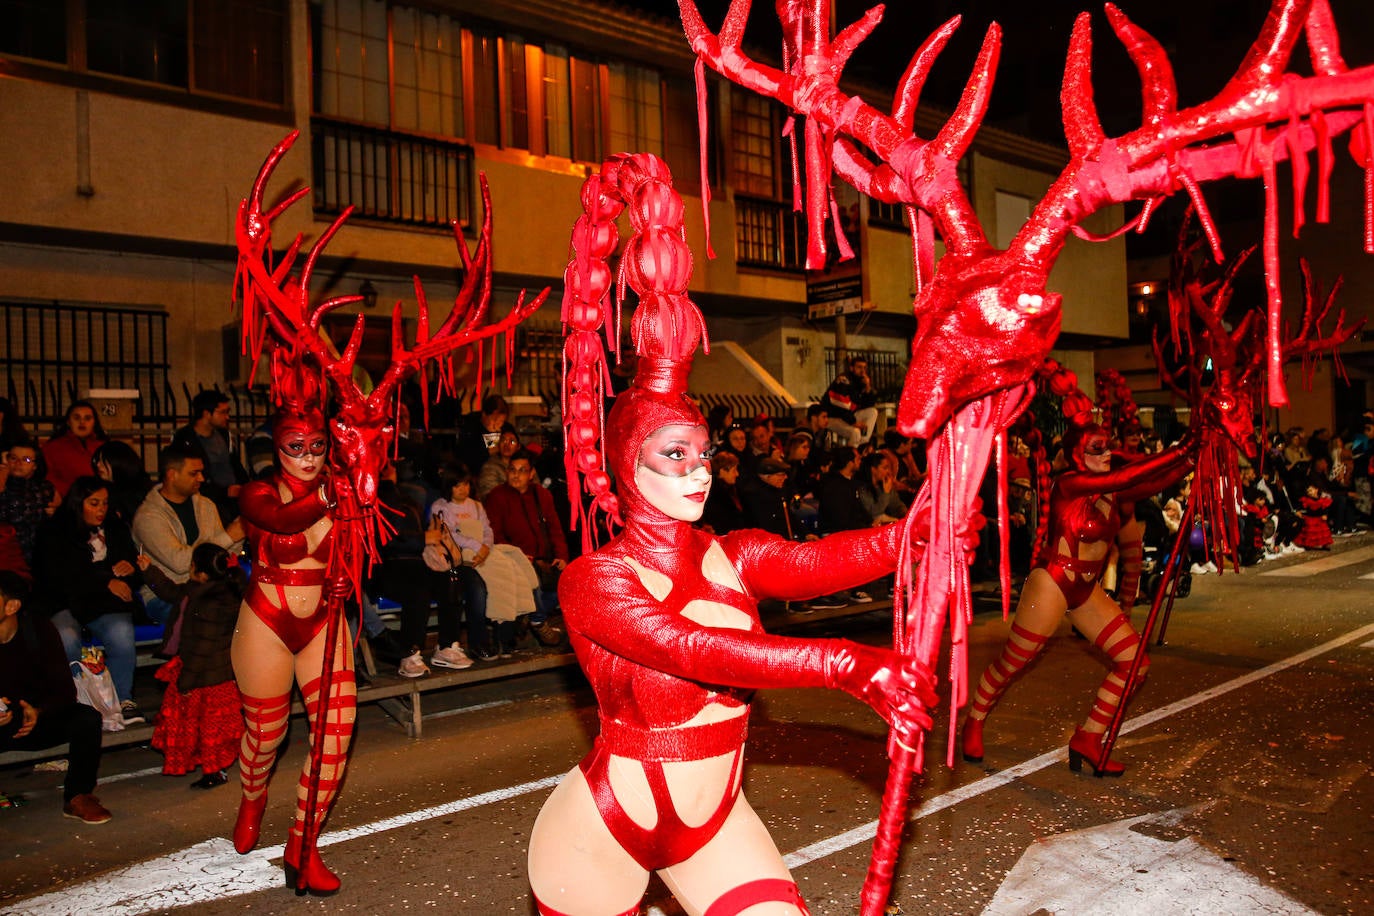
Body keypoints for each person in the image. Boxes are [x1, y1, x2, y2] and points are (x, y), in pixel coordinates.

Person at [528, 284, 938, 916]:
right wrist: (845, 664)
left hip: (717, 826)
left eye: (704, 454)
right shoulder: (594, 580)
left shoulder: (736, 553)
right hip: (597, 837)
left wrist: (915, 534)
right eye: (674, 455)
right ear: (625, 464)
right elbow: (692, 650)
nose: (699, 472)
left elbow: (817, 560)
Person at [960, 422, 1195, 776]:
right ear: (1076, 455)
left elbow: (1149, 481)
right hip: (1052, 581)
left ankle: (1088, 737)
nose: (1106, 455)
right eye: (1096, 450)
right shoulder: (1069, 484)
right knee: (1014, 661)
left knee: (1134, 662)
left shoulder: (1112, 487)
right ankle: (975, 718)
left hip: (1086, 589)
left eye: (1107, 448)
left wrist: (1193, 455)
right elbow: (1123, 477)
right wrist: (1180, 451)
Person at [229, 399, 353, 896]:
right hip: (267, 619)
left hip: (324, 619)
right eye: (295, 447)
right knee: (266, 736)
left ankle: (302, 845)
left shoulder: (342, 490)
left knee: (336, 735)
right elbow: (281, 528)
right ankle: (253, 796)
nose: (308, 457)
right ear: (276, 446)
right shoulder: (259, 491)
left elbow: (358, 545)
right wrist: (328, 498)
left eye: (318, 447)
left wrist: (347, 577)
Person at [0, 570, 112, 825]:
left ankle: (79, 796)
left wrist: (38, 711)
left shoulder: (38, 629)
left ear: (12, 606)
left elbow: (64, 691)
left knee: (86, 718)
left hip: (37, 719)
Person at [34, 476, 145, 724]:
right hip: (63, 600)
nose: (101, 510)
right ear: (78, 502)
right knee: (66, 637)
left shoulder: (115, 527)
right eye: (94, 503)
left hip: (102, 603)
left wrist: (129, 569)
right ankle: (78, 701)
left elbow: (131, 564)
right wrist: (105, 579)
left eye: (105, 503)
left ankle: (122, 699)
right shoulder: (55, 530)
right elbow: (58, 576)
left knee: (121, 631)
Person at [141, 543, 246, 788]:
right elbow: (171, 592)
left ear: (201, 572)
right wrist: (149, 571)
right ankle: (212, 768)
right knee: (206, 729)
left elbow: (203, 647)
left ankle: (214, 772)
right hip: (209, 673)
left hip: (207, 677)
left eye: (191, 564)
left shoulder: (210, 604)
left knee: (210, 730)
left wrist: (186, 680)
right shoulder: (201, 590)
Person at [373, 462, 486, 676]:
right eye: (383, 466)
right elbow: (383, 542)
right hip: (387, 566)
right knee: (418, 588)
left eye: (390, 466)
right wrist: (422, 538)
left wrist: (431, 537)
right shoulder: (373, 500)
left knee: (450, 576)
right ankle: (409, 651)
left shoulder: (409, 498)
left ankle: (446, 645)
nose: (389, 469)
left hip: (416, 560)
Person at [132, 444, 244, 624]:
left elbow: (223, 555)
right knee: (210, 616)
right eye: (193, 473)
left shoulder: (206, 505)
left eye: (201, 472)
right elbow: (180, 563)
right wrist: (229, 536)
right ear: (171, 475)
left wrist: (241, 533)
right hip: (166, 594)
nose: (201, 478)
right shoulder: (147, 517)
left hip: (208, 588)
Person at [484, 450, 566, 647]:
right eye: (512, 470)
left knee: (567, 585)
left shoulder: (541, 495)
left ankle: (527, 618)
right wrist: (517, 555)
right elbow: (495, 533)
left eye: (522, 471)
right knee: (531, 581)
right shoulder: (497, 497)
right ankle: (538, 620)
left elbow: (555, 528)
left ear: (531, 474)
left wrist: (561, 556)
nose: (516, 475)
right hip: (514, 559)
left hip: (543, 559)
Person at [425, 464, 500, 668]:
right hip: (458, 560)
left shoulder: (476, 505)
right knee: (477, 587)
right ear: (448, 486)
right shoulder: (441, 506)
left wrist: (486, 548)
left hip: (482, 554)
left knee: (508, 575)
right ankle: (479, 641)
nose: (462, 489)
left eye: (465, 484)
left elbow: (487, 529)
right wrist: (477, 547)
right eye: (457, 485)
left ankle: (507, 635)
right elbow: (450, 535)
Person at [171, 390, 248, 525]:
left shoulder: (224, 435)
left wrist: (245, 486)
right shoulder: (185, 438)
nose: (227, 417)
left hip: (234, 499)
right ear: (206, 414)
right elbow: (189, 477)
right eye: (223, 412)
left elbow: (235, 464)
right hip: (209, 502)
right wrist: (224, 492)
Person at [0, 438, 58, 562]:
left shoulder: (46, 488)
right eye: (13, 458)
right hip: (7, 554)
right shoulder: (2, 485)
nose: (18, 463)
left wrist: (56, 513)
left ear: (35, 465)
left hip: (41, 554)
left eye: (26, 460)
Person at [42, 401, 109, 499]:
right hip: (66, 502)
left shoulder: (105, 447)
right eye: (77, 418)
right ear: (68, 422)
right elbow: (48, 479)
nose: (82, 422)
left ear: (94, 422)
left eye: (87, 418)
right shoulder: (52, 448)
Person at [91, 440, 155, 527]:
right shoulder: (100, 490)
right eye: (97, 460)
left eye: (103, 461)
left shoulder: (140, 493)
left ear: (119, 462)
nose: (98, 465)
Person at [822, 354, 879, 446]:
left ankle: (862, 444)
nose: (862, 371)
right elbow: (841, 407)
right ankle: (850, 457)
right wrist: (854, 422)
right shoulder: (843, 380)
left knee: (873, 412)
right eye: (859, 367)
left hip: (848, 417)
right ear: (851, 368)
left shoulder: (860, 382)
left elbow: (868, 405)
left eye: (864, 368)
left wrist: (868, 387)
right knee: (855, 432)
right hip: (833, 417)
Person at [699, 450, 747, 536]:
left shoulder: (733, 488)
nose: (737, 474)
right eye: (734, 470)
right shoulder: (713, 495)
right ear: (722, 471)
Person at [477, 429, 521, 500]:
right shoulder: (490, 467)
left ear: (518, 447)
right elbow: (490, 495)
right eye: (503, 440)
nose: (507, 444)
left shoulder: (524, 465)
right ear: (498, 445)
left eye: (512, 442)